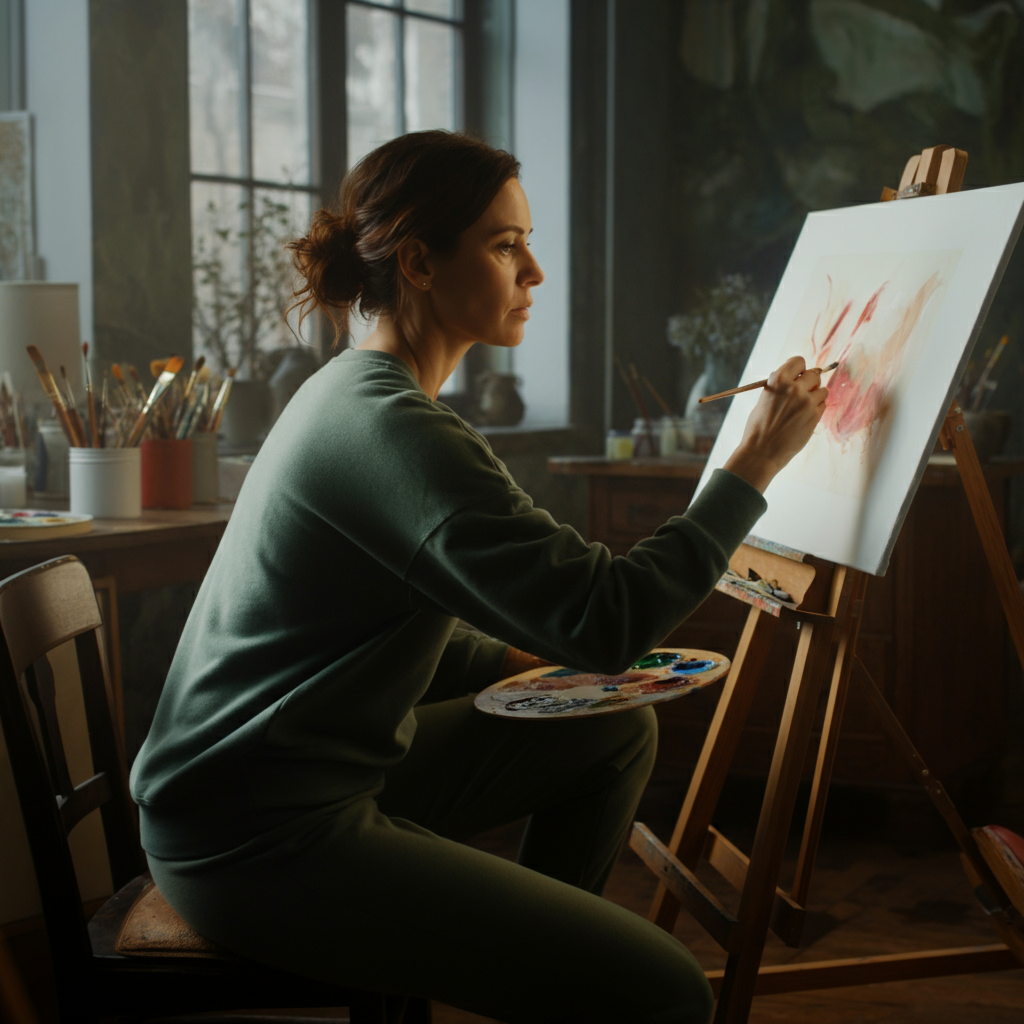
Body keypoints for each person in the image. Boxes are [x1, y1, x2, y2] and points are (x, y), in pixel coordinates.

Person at [130, 131, 827, 1024]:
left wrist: (506, 662)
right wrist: (751, 465)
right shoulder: (397, 431)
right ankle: (577, 978)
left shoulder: (353, 391)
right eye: (505, 247)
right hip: (256, 835)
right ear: (419, 263)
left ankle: (549, 979)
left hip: (275, 780)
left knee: (611, 730)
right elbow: (608, 621)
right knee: (668, 991)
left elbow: (369, 628)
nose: (534, 271)